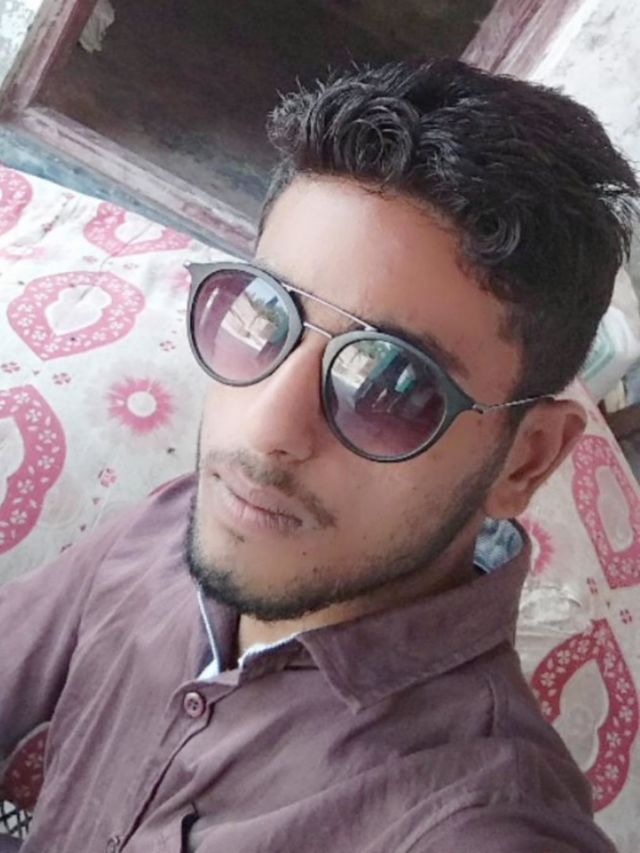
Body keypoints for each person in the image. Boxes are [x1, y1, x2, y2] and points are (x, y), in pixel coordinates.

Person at [1, 58, 637, 853]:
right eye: (264, 314)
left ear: (525, 462)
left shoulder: (479, 822)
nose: (268, 428)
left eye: (393, 382)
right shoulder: (170, 530)